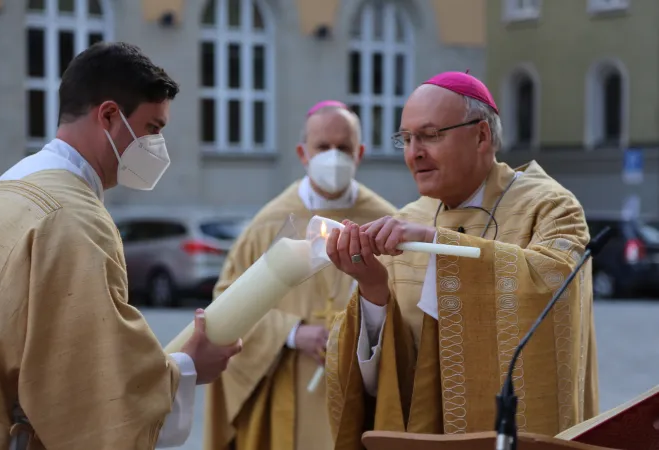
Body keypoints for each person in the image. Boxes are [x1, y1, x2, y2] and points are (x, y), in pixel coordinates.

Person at [0, 42, 242, 450]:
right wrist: (191, 366)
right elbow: (93, 392)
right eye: (153, 128)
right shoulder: (75, 219)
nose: (158, 146)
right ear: (108, 115)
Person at [324, 72, 599, 448]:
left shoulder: (551, 207)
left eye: (430, 135)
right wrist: (372, 290)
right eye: (406, 139)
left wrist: (439, 245)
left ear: (481, 136)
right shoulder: (411, 218)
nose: (414, 152)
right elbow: (384, 380)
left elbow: (555, 289)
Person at [203, 101, 397, 450]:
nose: (333, 156)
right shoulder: (269, 224)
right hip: (285, 386)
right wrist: (291, 333)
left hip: (360, 388)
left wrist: (364, 332)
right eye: (323, 147)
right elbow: (226, 308)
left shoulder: (384, 222)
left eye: (344, 147)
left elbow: (408, 312)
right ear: (302, 153)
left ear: (361, 153)